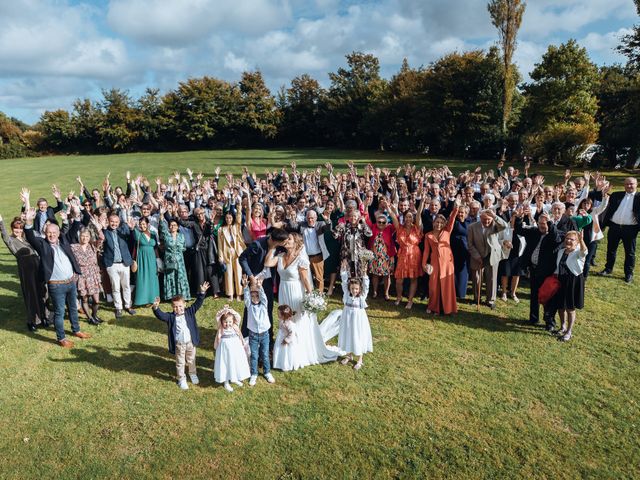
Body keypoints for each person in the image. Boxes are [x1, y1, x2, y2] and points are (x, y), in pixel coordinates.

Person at [263, 233, 340, 366]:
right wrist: (273, 247)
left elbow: (305, 279)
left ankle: (299, 350)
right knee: (286, 318)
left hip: (296, 293)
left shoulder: (301, 259)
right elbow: (267, 262)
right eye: (286, 239)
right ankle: (286, 348)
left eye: (289, 239)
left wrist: (311, 297)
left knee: (297, 319)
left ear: (296, 242)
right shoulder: (280, 257)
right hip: (283, 291)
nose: (286, 240)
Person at [24, 207, 91, 347]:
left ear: (58, 232)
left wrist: (76, 212)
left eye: (54, 232)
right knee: (60, 312)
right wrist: (29, 219)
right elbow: (30, 236)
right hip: (56, 285)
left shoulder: (64, 240)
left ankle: (76, 330)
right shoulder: (42, 245)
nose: (52, 235)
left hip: (71, 282)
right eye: (49, 233)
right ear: (45, 233)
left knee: (73, 308)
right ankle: (61, 338)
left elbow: (75, 227)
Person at [239, 228, 289, 348]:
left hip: (267, 282)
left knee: (268, 308)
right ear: (273, 240)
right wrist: (251, 277)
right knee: (251, 309)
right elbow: (242, 258)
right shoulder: (257, 244)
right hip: (254, 281)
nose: (283, 245)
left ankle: (268, 340)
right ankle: (246, 338)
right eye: (281, 243)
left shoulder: (280, 247)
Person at [152, 282, 208, 390]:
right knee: (180, 362)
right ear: (172, 307)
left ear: (185, 304)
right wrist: (156, 308)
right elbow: (161, 316)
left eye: (180, 306)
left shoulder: (189, 312)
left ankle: (192, 373)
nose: (178, 309)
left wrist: (202, 292)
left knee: (191, 359)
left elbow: (198, 303)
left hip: (190, 342)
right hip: (179, 344)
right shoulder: (171, 317)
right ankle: (181, 378)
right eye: (175, 307)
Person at [0, 213, 48, 331]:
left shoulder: (26, 237)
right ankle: (32, 320)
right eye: (16, 228)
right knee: (31, 293)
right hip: (26, 270)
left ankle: (44, 316)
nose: (18, 230)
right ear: (12, 228)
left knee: (42, 291)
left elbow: (28, 226)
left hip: (37, 265)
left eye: (20, 228)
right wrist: (1, 221)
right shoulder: (10, 240)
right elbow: (4, 235)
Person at [515, 212, 562, 330]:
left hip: (547, 272)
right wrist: (519, 218)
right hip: (534, 269)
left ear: (549, 224)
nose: (542, 226)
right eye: (540, 223)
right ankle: (533, 318)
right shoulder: (534, 232)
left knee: (547, 297)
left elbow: (556, 237)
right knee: (534, 295)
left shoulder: (554, 234)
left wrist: (550, 222)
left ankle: (549, 322)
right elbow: (519, 230)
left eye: (544, 224)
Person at [388, 197, 427, 309]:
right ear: (404, 218)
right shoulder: (399, 228)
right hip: (402, 255)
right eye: (406, 217)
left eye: (410, 216)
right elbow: (393, 216)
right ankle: (399, 297)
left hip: (414, 255)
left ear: (413, 218)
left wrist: (422, 203)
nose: (408, 218)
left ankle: (410, 300)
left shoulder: (417, 229)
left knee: (413, 279)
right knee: (399, 279)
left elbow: (419, 214)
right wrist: (388, 208)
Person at [600, 177, 640, 283]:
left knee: (630, 253)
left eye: (631, 184)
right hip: (614, 227)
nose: (629, 186)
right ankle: (608, 269)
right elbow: (606, 208)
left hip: (630, 229)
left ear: (636, 184)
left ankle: (628, 274)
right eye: (626, 184)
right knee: (611, 250)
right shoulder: (616, 195)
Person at [422, 203, 460, 315]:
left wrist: (456, 208)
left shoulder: (447, 231)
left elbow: (452, 218)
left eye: (441, 222)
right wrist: (424, 264)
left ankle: (448, 308)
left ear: (444, 224)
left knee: (447, 284)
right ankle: (434, 307)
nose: (438, 224)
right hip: (434, 262)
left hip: (447, 263)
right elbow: (426, 251)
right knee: (434, 285)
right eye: (437, 222)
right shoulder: (428, 235)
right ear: (433, 223)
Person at [467, 209, 508, 309]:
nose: (487, 222)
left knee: (491, 278)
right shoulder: (472, 227)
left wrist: (494, 216)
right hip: (477, 255)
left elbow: (504, 226)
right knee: (476, 278)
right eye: (484, 219)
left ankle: (490, 300)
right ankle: (477, 298)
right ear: (480, 218)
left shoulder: (495, 225)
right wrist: (477, 256)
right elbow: (470, 244)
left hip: (492, 254)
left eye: (489, 219)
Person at [552, 231, 588, 341]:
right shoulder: (561, 251)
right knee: (560, 306)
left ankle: (569, 331)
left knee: (570, 308)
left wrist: (581, 240)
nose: (568, 240)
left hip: (573, 281)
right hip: (561, 280)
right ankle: (562, 327)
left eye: (572, 239)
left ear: (576, 242)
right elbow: (558, 266)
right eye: (567, 238)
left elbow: (584, 252)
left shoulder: (578, 252)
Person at [338, 264, 372, 370]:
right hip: (347, 317)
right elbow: (344, 283)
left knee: (358, 335)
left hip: (358, 319)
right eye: (353, 288)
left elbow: (366, 286)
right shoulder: (347, 294)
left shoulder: (362, 296)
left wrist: (365, 273)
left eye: (357, 289)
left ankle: (360, 359)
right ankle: (349, 355)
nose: (354, 291)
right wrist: (343, 271)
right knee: (348, 334)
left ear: (360, 289)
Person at [288, 209, 332, 293]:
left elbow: (328, 228)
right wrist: (290, 217)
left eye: (312, 218)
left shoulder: (320, 224)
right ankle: (306, 294)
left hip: (317, 256)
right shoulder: (302, 225)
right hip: (304, 256)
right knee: (304, 276)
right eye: (308, 218)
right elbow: (291, 227)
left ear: (316, 218)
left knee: (319, 277)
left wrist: (327, 220)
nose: (310, 220)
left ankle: (319, 296)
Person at [102, 213, 136, 319]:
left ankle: (128, 305)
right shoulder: (105, 232)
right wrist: (101, 228)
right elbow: (101, 240)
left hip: (124, 263)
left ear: (119, 222)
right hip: (112, 265)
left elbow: (132, 239)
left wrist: (131, 229)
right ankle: (118, 307)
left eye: (116, 222)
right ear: (108, 221)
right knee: (115, 287)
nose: (114, 224)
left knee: (126, 286)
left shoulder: (123, 230)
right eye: (112, 221)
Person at [243, 276, 275, 386]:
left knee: (265, 354)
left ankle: (267, 372)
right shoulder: (249, 306)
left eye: (257, 296)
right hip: (253, 335)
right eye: (253, 296)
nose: (255, 298)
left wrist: (260, 287)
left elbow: (264, 296)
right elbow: (246, 297)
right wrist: (246, 287)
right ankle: (254, 374)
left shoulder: (264, 304)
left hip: (264, 335)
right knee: (254, 355)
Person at [70, 226, 104, 325]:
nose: (84, 238)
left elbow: (101, 238)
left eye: (87, 236)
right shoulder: (74, 247)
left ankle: (94, 315)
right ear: (79, 236)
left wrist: (98, 227)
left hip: (93, 275)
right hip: (81, 276)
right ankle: (90, 318)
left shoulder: (93, 246)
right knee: (84, 298)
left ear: (90, 237)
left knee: (96, 300)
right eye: (82, 236)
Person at [213, 305, 251, 392]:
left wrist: (230, 310)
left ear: (233, 321)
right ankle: (226, 381)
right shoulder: (221, 328)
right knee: (226, 363)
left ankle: (235, 377)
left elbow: (238, 316)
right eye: (225, 322)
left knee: (234, 363)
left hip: (235, 349)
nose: (228, 324)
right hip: (224, 350)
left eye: (230, 321)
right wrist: (223, 310)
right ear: (222, 322)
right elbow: (218, 316)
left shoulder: (235, 326)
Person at [159, 210, 191, 301]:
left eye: (174, 225)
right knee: (171, 276)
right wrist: (161, 214)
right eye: (171, 225)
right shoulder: (166, 235)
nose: (172, 227)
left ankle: (183, 295)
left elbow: (184, 247)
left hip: (179, 260)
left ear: (178, 227)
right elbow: (162, 226)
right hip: (169, 260)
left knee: (180, 277)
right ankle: (171, 296)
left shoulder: (181, 236)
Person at [365, 212, 396, 300]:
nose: (381, 224)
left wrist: (392, 210)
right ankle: (375, 291)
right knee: (375, 274)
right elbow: (367, 220)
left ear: (386, 223)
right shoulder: (373, 226)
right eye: (379, 222)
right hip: (374, 255)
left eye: (383, 222)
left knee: (387, 275)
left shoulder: (389, 228)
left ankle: (386, 293)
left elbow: (396, 221)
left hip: (386, 256)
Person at [218, 209, 246, 301]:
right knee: (228, 274)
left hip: (237, 252)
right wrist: (220, 257)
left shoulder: (236, 227)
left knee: (238, 273)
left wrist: (238, 206)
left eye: (230, 217)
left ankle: (239, 294)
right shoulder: (221, 229)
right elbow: (220, 245)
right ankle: (230, 294)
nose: (228, 219)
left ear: (232, 218)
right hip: (227, 253)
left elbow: (239, 217)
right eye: (226, 218)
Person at [133, 217, 161, 306]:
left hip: (152, 258)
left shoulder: (153, 234)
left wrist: (158, 259)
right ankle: (143, 300)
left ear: (148, 224)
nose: (142, 226)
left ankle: (153, 299)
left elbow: (156, 248)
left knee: (153, 278)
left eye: (144, 224)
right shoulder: (137, 234)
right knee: (143, 278)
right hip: (142, 258)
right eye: (140, 224)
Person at [272, 305, 302, 371]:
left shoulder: (288, 324)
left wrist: (286, 340)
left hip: (286, 340)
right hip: (281, 337)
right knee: (279, 350)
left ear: (284, 315)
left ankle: (286, 364)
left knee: (285, 352)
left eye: (279, 313)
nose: (277, 314)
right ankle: (278, 362)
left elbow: (292, 333)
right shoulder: (282, 321)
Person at [451, 205, 471, 299]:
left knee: (463, 272)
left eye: (462, 212)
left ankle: (461, 293)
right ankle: (453, 291)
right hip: (454, 250)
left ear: (466, 214)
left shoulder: (470, 223)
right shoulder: (454, 222)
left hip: (465, 251)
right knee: (454, 271)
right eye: (459, 212)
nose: (460, 214)